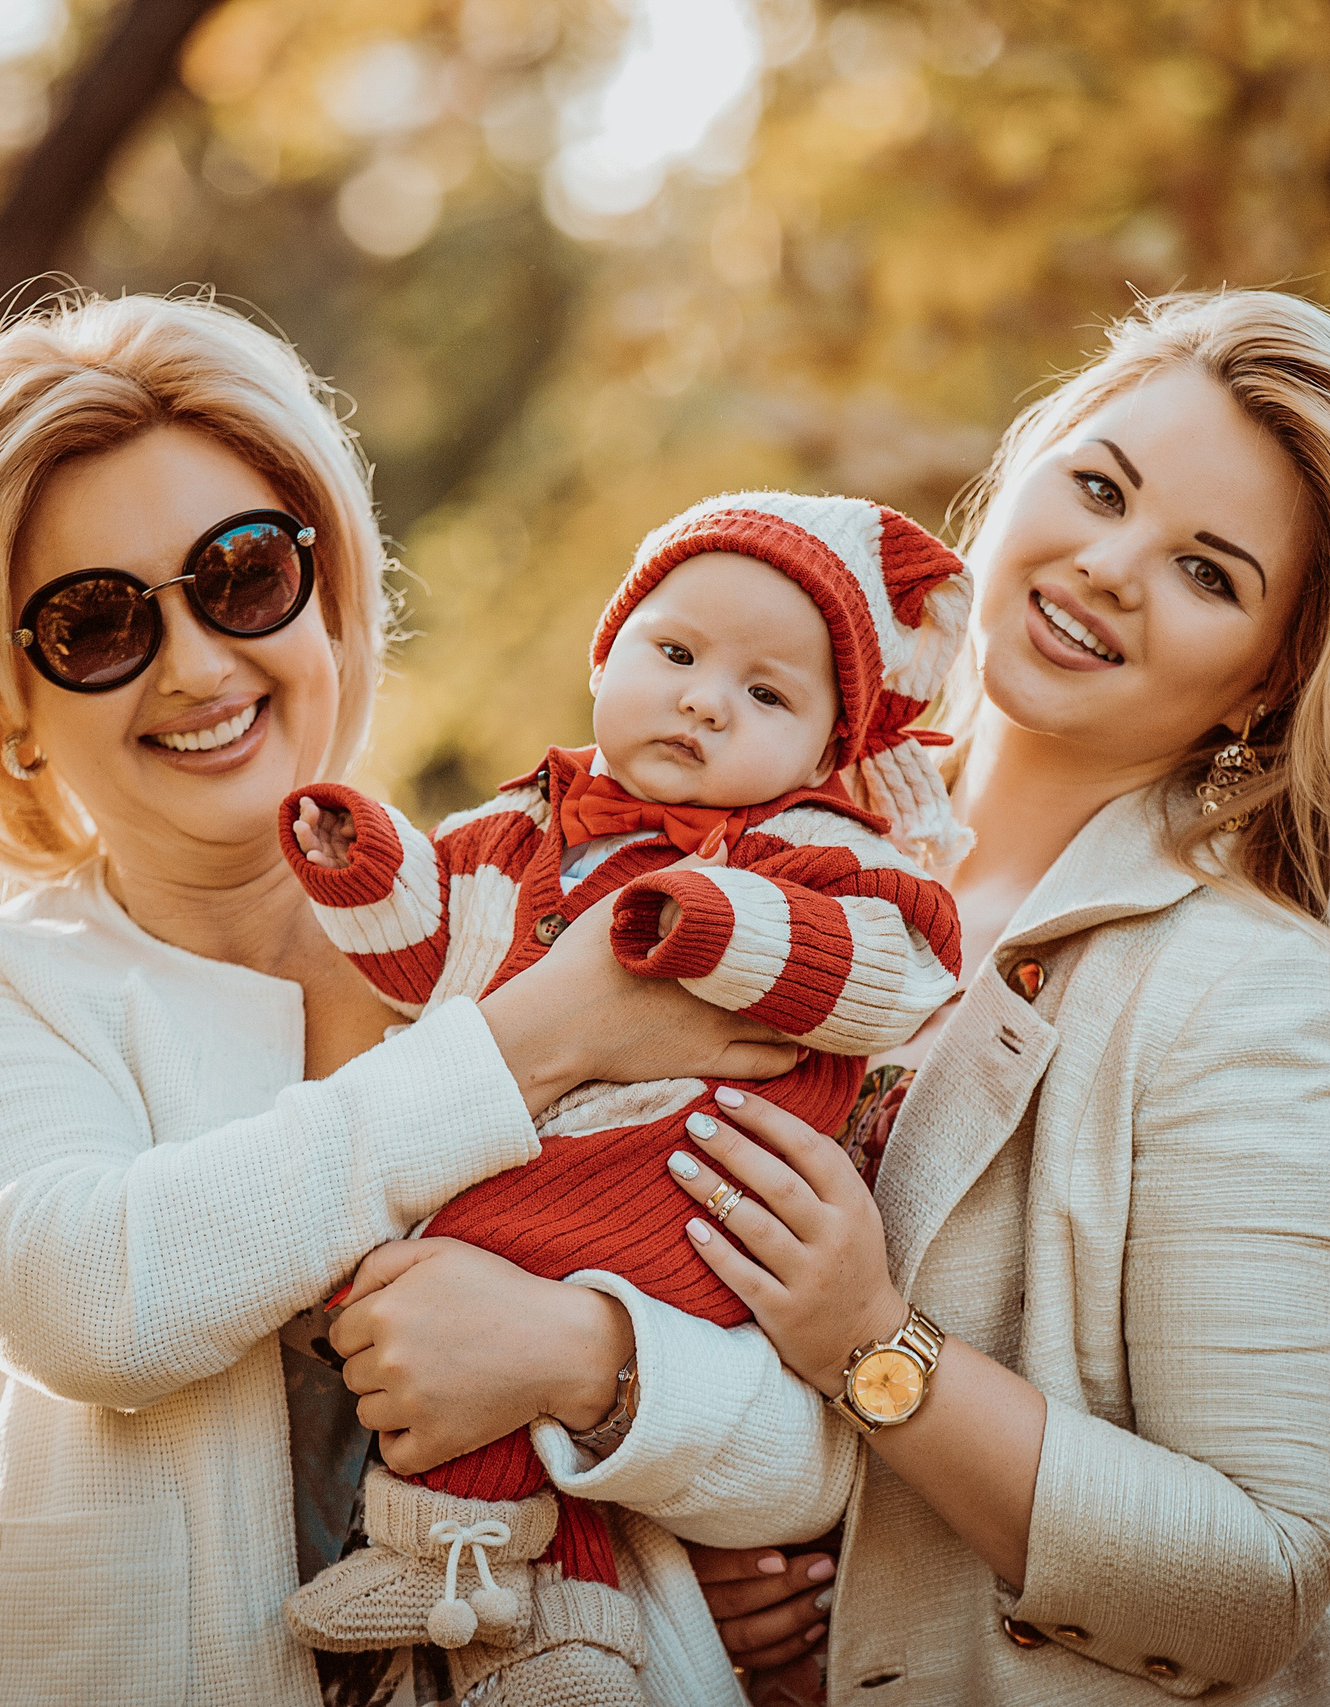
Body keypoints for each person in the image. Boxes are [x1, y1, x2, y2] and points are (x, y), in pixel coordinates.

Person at [331, 287, 1330, 1706]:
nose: (1107, 565)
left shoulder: (1260, 1000)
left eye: (1208, 572)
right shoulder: (739, 814)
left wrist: (865, 1345)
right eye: (1099, 486)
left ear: (1265, 683)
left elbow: (1256, 1576)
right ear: (1022, 471)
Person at [0, 291, 799, 1707]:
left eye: (239, 575)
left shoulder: (524, 914)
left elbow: (809, 1434)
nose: (197, 664)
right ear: (5, 710)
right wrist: (546, 1038)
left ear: (329, 592)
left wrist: (586, 1361)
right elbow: (89, 1300)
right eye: (96, 622)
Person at [273, 495, 970, 1704]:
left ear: (820, 756)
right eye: (677, 653)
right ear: (610, 652)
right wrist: (366, 864)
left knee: (465, 1264)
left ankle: (512, 1604)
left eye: (767, 694)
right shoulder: (518, 821)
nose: (704, 700)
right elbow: (433, 953)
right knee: (428, 1274)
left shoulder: (814, 849)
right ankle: (512, 1606)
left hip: (685, 1185)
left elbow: (900, 966)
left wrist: (716, 925)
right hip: (542, 1165)